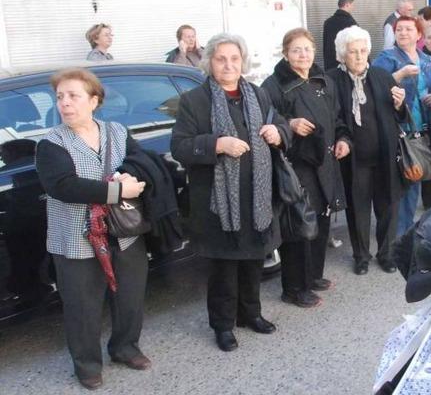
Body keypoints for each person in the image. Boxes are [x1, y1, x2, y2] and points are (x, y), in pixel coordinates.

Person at [35, 68, 150, 389]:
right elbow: (63, 186)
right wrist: (117, 190)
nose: (65, 104)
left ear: (94, 100)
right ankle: (87, 365)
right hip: (75, 238)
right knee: (82, 305)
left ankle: (125, 347)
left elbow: (139, 160)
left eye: (73, 96)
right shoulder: (51, 143)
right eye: (60, 97)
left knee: (129, 296)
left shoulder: (116, 131)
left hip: (123, 231)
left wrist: (130, 176)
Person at [171, 33, 286, 352]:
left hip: (256, 199)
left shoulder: (258, 94)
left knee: (252, 262)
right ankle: (223, 325)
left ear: (243, 62)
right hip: (218, 204)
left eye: (234, 59)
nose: (228, 65)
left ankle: (251, 314)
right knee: (223, 269)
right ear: (210, 62)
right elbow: (179, 147)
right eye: (221, 59)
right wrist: (216, 144)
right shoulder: (195, 100)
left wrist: (278, 131)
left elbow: (280, 125)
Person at [262, 28, 350, 307]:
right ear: (286, 53)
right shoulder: (273, 85)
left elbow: (337, 118)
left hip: (324, 161)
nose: (303, 55)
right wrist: (289, 124)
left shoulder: (322, 80)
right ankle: (294, 287)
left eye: (308, 49)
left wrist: (344, 139)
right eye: (296, 50)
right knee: (299, 224)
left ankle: (313, 276)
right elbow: (266, 123)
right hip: (295, 165)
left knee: (321, 219)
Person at [329, 26, 406, 275]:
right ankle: (361, 256)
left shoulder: (383, 76)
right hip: (354, 160)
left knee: (388, 207)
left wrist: (399, 104)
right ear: (342, 54)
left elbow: (399, 117)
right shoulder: (332, 80)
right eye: (353, 52)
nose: (360, 56)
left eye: (363, 50)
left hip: (384, 157)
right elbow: (333, 118)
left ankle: (387, 253)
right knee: (358, 209)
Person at [372, 16, 431, 236]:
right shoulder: (387, 57)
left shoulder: (426, 59)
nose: (403, 33)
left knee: (415, 176)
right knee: (399, 183)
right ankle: (396, 234)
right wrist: (399, 75)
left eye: (409, 29)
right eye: (399, 29)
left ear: (419, 35)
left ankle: (406, 231)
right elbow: (374, 85)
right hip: (397, 128)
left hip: (422, 126)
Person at [322, 0, 358, 70]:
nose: (353, 8)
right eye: (352, 5)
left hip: (330, 67)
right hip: (345, 68)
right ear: (347, 5)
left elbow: (325, 46)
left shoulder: (328, 22)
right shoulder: (350, 23)